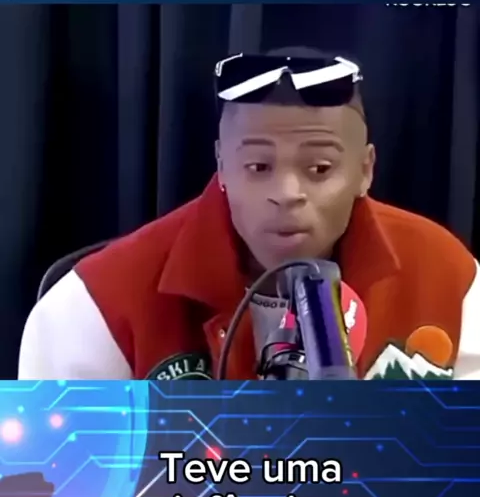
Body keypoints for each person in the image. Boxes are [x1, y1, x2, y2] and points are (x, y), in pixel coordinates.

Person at [18, 48, 480, 380]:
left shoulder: (445, 274)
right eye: (258, 167)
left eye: (319, 168)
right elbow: (60, 480)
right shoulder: (97, 302)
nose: (287, 194)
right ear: (221, 166)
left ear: (365, 170)